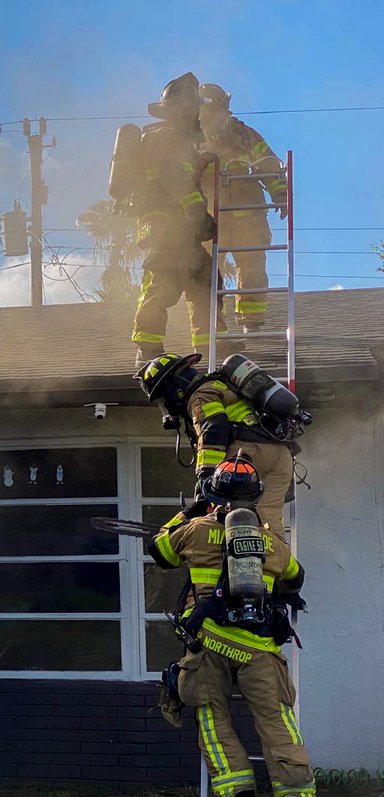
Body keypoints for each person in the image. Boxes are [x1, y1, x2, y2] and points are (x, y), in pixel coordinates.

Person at [149, 458, 325, 797]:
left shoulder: (194, 531)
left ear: (213, 497)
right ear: (255, 499)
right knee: (279, 723)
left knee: (213, 717)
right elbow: (295, 578)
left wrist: (189, 511)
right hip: (260, 649)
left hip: (209, 643)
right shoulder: (270, 543)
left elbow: (159, 549)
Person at [122, 72, 223, 366]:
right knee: (165, 281)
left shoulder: (177, 141)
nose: (197, 115)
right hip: (166, 224)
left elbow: (184, 171)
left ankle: (210, 351)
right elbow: (174, 177)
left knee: (206, 281)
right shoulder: (164, 136)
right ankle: (148, 349)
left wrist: (202, 161)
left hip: (182, 227)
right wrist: (196, 211)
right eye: (192, 108)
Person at [136, 351, 297, 535]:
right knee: (268, 518)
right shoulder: (221, 384)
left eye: (163, 397)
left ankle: (184, 538)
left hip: (246, 453)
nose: (165, 404)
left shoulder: (200, 395)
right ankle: (275, 560)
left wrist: (206, 474)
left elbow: (213, 431)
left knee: (220, 511)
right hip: (281, 456)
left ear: (174, 388)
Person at [199, 83, 288, 333]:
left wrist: (279, 191)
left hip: (247, 212)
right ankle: (212, 325)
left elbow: (267, 162)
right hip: (208, 216)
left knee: (252, 266)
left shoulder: (244, 134)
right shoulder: (192, 138)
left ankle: (252, 322)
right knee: (206, 270)